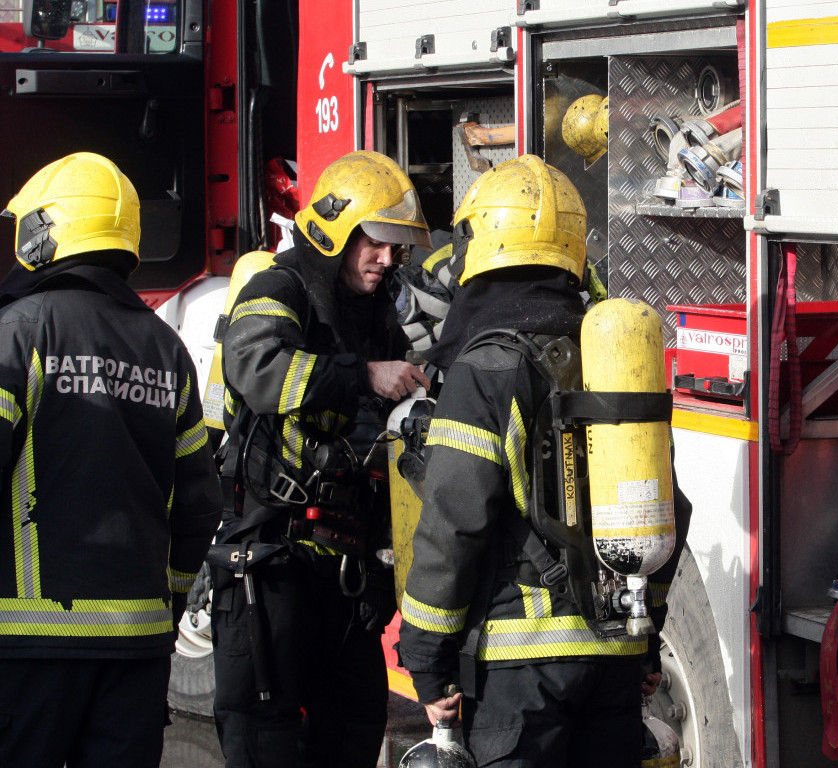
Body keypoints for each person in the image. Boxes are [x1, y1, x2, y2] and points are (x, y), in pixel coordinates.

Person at [397, 154, 689, 767]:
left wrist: (426, 657)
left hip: (520, 665)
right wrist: (647, 634)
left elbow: (454, 523)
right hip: (613, 652)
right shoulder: (611, 359)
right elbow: (665, 504)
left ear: (480, 246)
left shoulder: (488, 369)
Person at [209, 149, 433, 768]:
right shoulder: (279, 287)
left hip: (347, 571)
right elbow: (254, 368)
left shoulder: (377, 314)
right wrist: (362, 375)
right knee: (267, 742)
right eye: (375, 242)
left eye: (396, 247)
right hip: (274, 562)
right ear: (337, 228)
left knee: (354, 732)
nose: (387, 259)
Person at [0, 152, 221, 767]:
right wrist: (169, 602)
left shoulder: (18, 334)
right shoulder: (165, 349)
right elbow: (199, 504)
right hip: (137, 649)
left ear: (44, 232)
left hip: (27, 647)